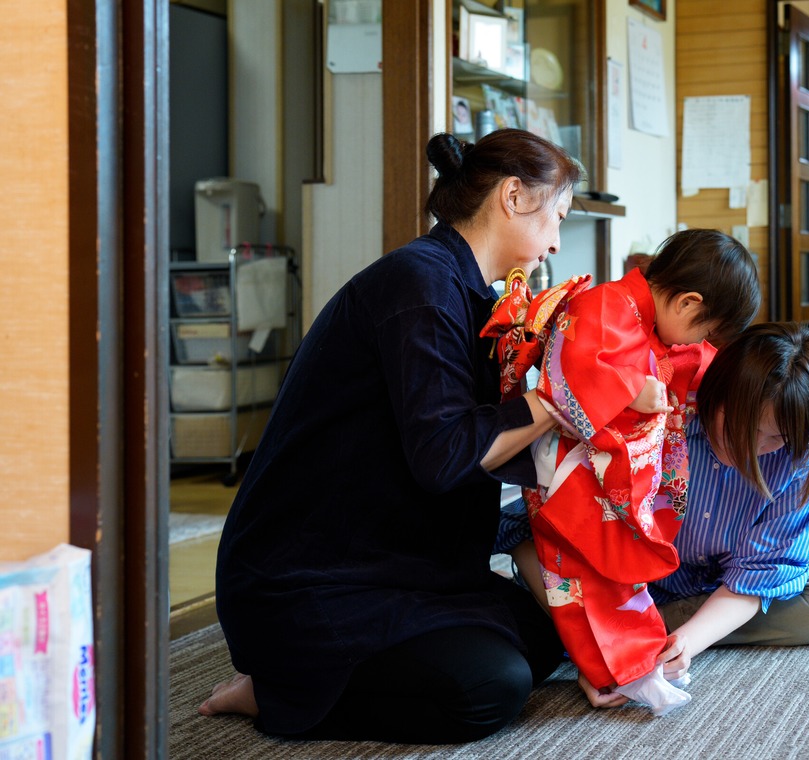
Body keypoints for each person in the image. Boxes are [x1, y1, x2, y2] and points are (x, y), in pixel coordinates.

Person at [197, 129, 582, 744]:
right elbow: (445, 455)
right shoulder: (419, 284)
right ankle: (277, 694)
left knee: (550, 635)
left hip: (398, 562)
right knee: (491, 688)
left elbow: (485, 444)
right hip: (309, 576)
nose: (557, 240)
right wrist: (561, 400)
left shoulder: (474, 295)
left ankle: (310, 680)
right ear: (513, 196)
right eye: (555, 216)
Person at [500, 322, 809, 710]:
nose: (752, 449)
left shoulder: (801, 456)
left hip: (714, 583)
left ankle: (641, 636)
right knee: (540, 564)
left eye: (775, 438)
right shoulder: (661, 411)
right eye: (743, 427)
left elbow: (763, 570)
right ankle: (615, 635)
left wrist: (688, 643)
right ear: (718, 391)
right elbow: (586, 529)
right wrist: (602, 657)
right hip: (613, 577)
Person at [490, 229, 760, 715]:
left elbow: (697, 363)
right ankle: (612, 671)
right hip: (572, 475)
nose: (700, 341)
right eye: (704, 328)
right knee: (579, 577)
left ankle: (625, 666)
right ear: (686, 302)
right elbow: (564, 378)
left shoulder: (654, 324)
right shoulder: (601, 306)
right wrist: (632, 391)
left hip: (611, 480)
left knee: (616, 575)